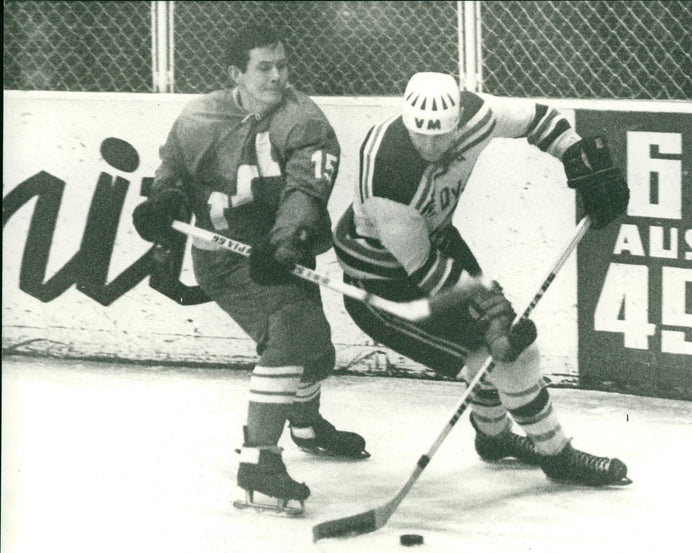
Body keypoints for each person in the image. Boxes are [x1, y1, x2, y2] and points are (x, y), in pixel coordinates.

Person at [333, 72, 631, 486]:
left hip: (435, 246)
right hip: (385, 287)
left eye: (443, 135)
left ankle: (494, 440)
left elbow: (539, 120)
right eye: (422, 135)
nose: (433, 146)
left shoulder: (477, 114)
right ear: (406, 121)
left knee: (499, 350)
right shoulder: (385, 174)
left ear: (458, 119)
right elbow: (426, 272)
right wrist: (490, 312)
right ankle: (556, 455)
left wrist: (576, 156)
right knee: (501, 352)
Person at [132, 24, 368, 513]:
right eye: (265, 67)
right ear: (236, 73)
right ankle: (259, 461)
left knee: (319, 354)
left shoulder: (306, 121)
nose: (277, 76)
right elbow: (170, 177)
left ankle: (304, 426)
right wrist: (162, 204)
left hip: (283, 254)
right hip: (223, 258)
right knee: (292, 334)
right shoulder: (197, 117)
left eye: (283, 65)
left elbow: (305, 192)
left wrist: (283, 244)